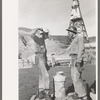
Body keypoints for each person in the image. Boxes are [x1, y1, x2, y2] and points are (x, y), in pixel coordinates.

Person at [20, 28, 51, 99]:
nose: (47, 36)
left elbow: (44, 54)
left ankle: (41, 92)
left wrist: (46, 64)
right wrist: (37, 28)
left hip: (42, 59)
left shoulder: (43, 41)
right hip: (39, 58)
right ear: (43, 34)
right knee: (46, 75)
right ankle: (46, 93)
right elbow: (31, 34)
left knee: (42, 75)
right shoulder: (37, 39)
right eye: (46, 34)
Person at [66, 26, 88, 100]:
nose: (68, 33)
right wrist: (70, 62)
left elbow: (81, 49)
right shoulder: (73, 40)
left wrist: (78, 61)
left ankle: (83, 96)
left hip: (77, 59)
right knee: (73, 77)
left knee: (77, 78)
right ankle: (77, 93)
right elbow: (72, 51)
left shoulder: (79, 37)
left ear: (73, 32)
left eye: (69, 32)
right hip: (73, 59)